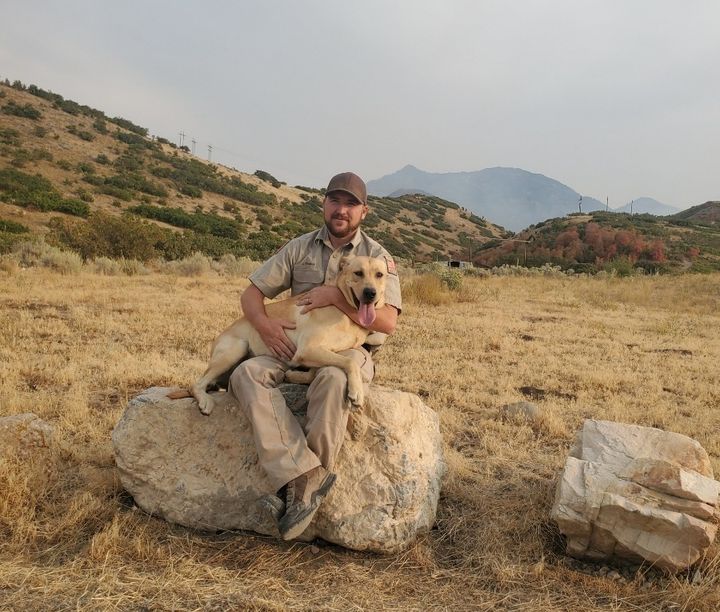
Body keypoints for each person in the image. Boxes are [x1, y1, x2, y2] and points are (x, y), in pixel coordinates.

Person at [229, 171, 402, 540]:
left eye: (350, 204)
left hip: (349, 350)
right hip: (286, 348)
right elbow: (250, 296)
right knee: (243, 375)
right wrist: (263, 325)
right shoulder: (299, 248)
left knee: (334, 379)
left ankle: (302, 492)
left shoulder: (377, 258)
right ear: (324, 204)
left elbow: (387, 322)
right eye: (335, 201)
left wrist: (335, 296)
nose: (342, 210)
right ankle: (303, 477)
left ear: (364, 211)